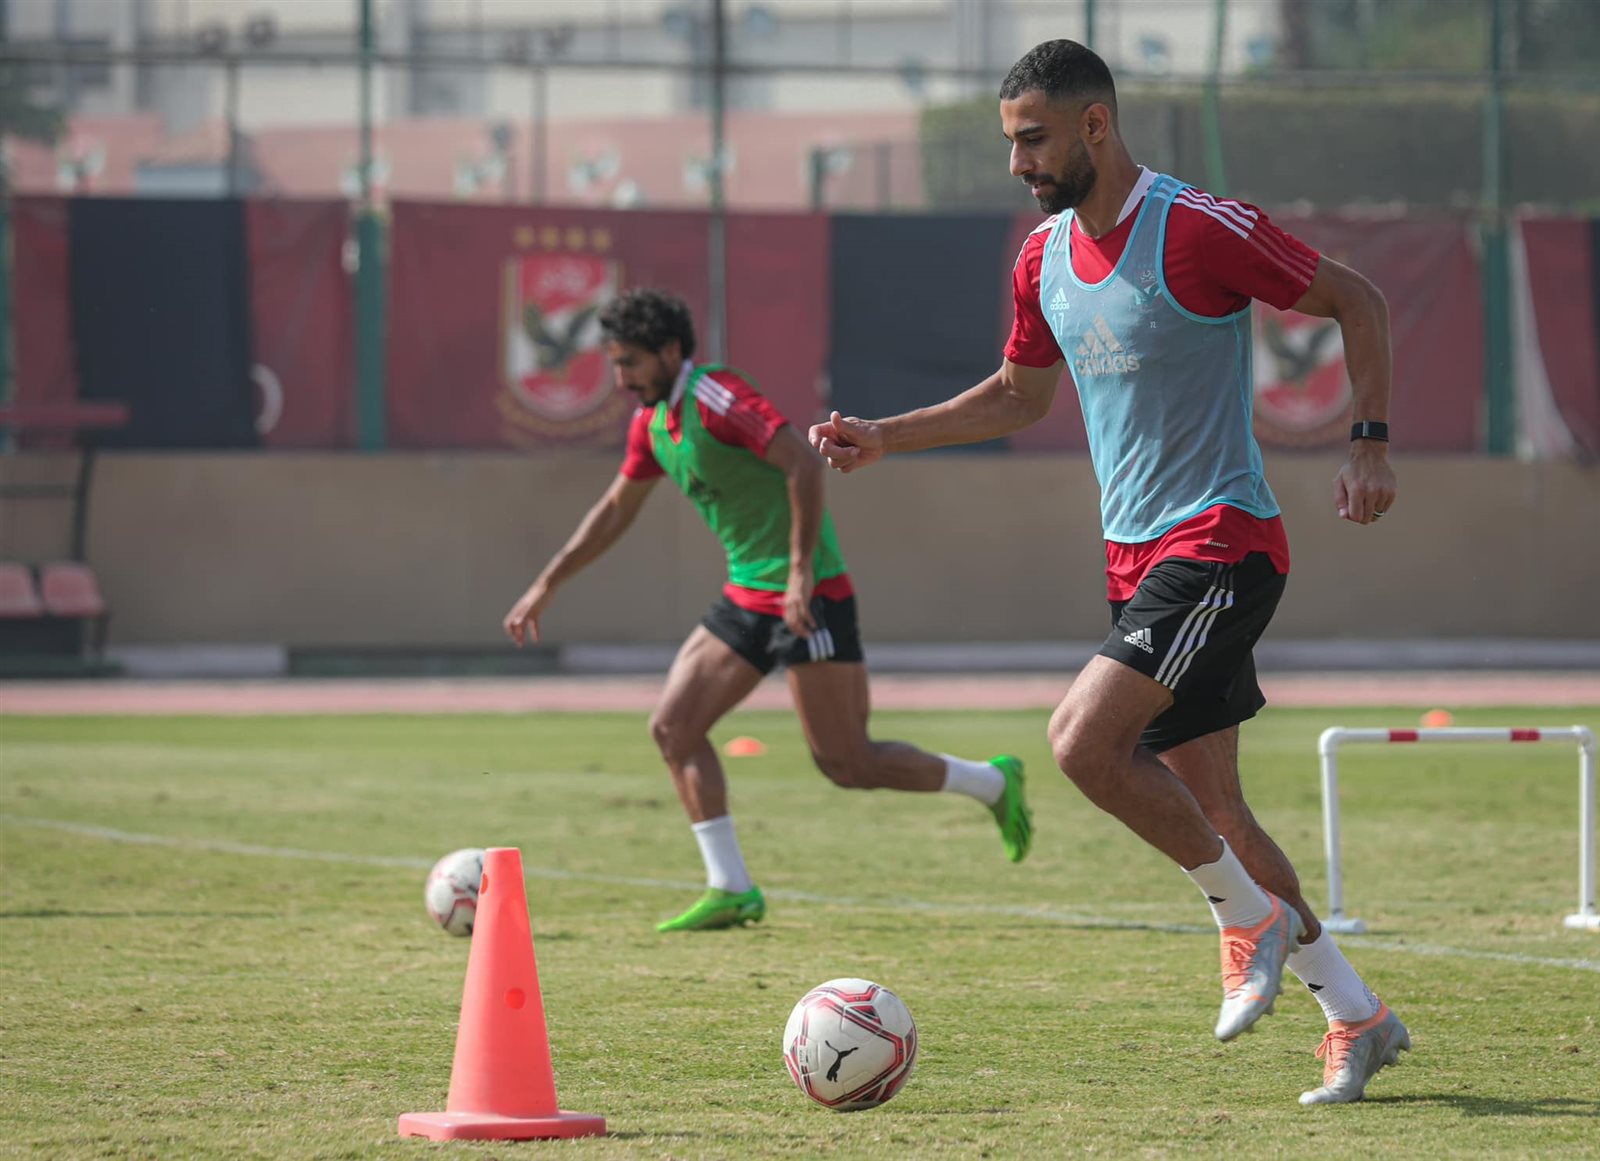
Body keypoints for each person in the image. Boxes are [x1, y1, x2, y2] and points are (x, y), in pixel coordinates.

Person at [810, 40, 1406, 1106]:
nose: (1018, 164)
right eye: (1010, 143)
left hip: (1222, 543)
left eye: (1033, 139)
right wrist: (886, 435)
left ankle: (1246, 921)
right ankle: (1355, 1014)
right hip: (1135, 563)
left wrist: (1367, 441)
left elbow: (1356, 299)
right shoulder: (1040, 257)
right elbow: (1016, 394)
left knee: (1082, 743)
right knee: (1217, 810)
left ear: (1096, 125)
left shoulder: (1198, 226)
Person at [503, 288, 1032, 933]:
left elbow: (802, 464)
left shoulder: (716, 396)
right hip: (747, 597)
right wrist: (547, 584)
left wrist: (801, 573)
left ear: (669, 352)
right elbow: (616, 509)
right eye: (615, 364)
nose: (621, 380)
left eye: (630, 363)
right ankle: (731, 887)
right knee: (673, 728)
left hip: (812, 599)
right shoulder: (652, 423)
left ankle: (992, 783)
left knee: (848, 763)